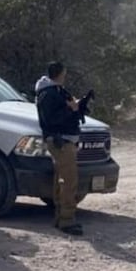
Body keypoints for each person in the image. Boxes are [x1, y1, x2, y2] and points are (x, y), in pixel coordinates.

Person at [35, 61, 84, 236]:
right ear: (60, 73)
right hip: (61, 140)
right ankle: (67, 220)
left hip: (63, 139)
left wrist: (77, 107)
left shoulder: (53, 91)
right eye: (64, 73)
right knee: (69, 180)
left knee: (60, 179)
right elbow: (52, 119)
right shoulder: (49, 94)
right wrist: (70, 109)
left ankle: (60, 218)